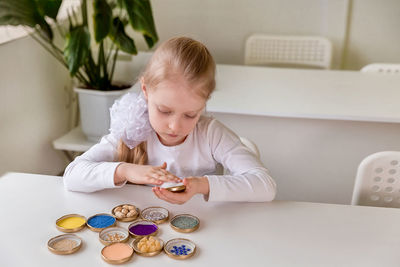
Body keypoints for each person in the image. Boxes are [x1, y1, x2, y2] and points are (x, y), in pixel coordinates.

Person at [64, 36, 276, 203]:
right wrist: (127, 170)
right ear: (145, 90)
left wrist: (201, 186)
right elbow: (72, 175)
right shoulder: (131, 127)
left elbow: (265, 185)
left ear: (204, 103)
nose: (175, 126)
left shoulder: (211, 134)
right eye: (164, 111)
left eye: (190, 115)